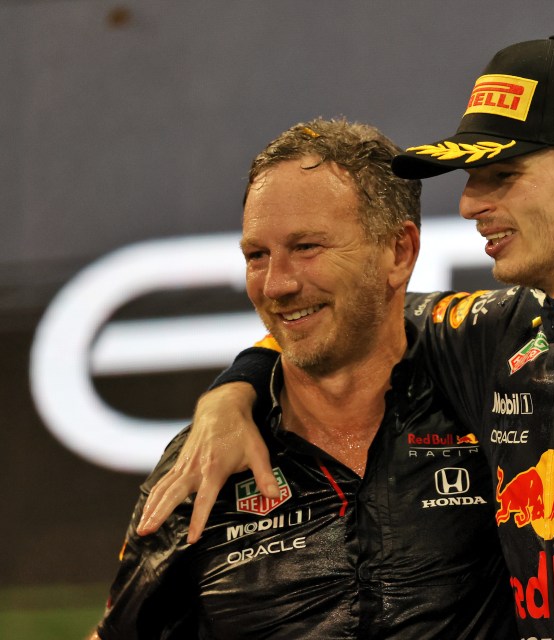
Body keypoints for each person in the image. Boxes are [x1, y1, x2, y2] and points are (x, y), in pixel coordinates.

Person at [134, 37, 554, 640]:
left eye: (502, 175)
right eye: (470, 178)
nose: (469, 204)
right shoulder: (492, 334)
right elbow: (344, 314)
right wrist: (237, 387)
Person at [92, 118, 517, 639]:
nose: (277, 284)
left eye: (307, 247)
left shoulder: (498, 394)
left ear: (398, 252)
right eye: (256, 255)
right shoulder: (201, 467)